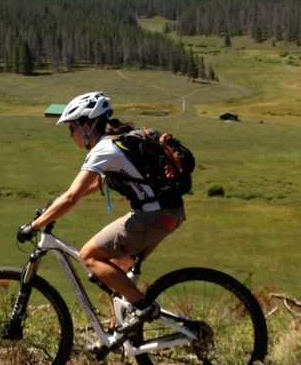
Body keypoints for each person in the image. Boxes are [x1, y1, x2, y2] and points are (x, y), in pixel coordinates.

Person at [17, 91, 186, 333]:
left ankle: (144, 307)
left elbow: (72, 197)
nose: (70, 135)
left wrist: (33, 226)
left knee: (89, 255)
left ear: (87, 126)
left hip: (152, 216)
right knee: (115, 272)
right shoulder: (116, 142)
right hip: (169, 213)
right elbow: (94, 185)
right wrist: (55, 204)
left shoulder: (103, 150)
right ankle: (121, 333)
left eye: (72, 128)